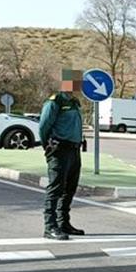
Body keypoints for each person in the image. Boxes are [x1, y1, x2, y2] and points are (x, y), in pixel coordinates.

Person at [39, 70, 85, 240]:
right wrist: (48, 146)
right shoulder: (55, 101)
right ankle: (50, 226)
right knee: (56, 188)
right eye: (75, 81)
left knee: (69, 189)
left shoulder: (74, 102)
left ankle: (63, 222)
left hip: (74, 149)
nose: (77, 85)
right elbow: (44, 126)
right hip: (59, 149)